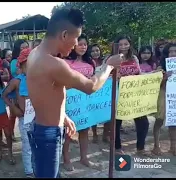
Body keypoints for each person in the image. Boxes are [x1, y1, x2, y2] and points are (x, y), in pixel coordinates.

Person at [26, 8, 122, 178]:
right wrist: (109, 66)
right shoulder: (54, 64)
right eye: (76, 37)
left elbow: (47, 92)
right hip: (48, 134)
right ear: (64, 35)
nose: (76, 43)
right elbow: (90, 86)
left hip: (41, 128)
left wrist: (63, 116)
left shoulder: (35, 54)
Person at [62, 34, 101, 171]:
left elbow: (94, 81)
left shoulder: (91, 63)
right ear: (73, 45)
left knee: (85, 130)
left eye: (85, 44)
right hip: (70, 103)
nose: (83, 47)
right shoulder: (65, 62)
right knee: (68, 132)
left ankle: (84, 157)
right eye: (80, 44)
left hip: (86, 102)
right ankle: (66, 159)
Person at [110, 35, 151, 156]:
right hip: (118, 94)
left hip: (134, 94)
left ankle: (141, 148)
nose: (123, 47)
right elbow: (104, 73)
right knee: (117, 122)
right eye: (120, 44)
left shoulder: (134, 58)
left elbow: (139, 73)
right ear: (116, 45)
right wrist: (114, 77)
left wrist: (154, 74)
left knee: (143, 122)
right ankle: (117, 148)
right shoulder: (111, 58)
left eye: (126, 44)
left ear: (130, 44)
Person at [3, 48, 34, 177]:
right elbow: (4, 95)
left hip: (40, 116)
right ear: (21, 65)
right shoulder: (17, 81)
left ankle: (37, 166)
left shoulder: (40, 79)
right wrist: (13, 107)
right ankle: (29, 171)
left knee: (39, 143)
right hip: (25, 117)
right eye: (28, 63)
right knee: (27, 145)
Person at [152, 43, 176, 156]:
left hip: (174, 97)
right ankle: (156, 146)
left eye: (175, 51)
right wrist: (164, 77)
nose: (173, 53)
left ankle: (173, 147)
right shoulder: (161, 68)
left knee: (173, 122)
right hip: (163, 95)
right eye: (170, 51)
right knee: (159, 121)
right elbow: (155, 83)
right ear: (166, 54)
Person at [88, 43, 111, 143]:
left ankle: (106, 134)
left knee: (107, 113)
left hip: (105, 91)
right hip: (94, 92)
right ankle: (95, 134)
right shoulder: (88, 63)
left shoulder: (105, 62)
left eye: (97, 50)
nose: (95, 53)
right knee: (94, 113)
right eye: (93, 51)